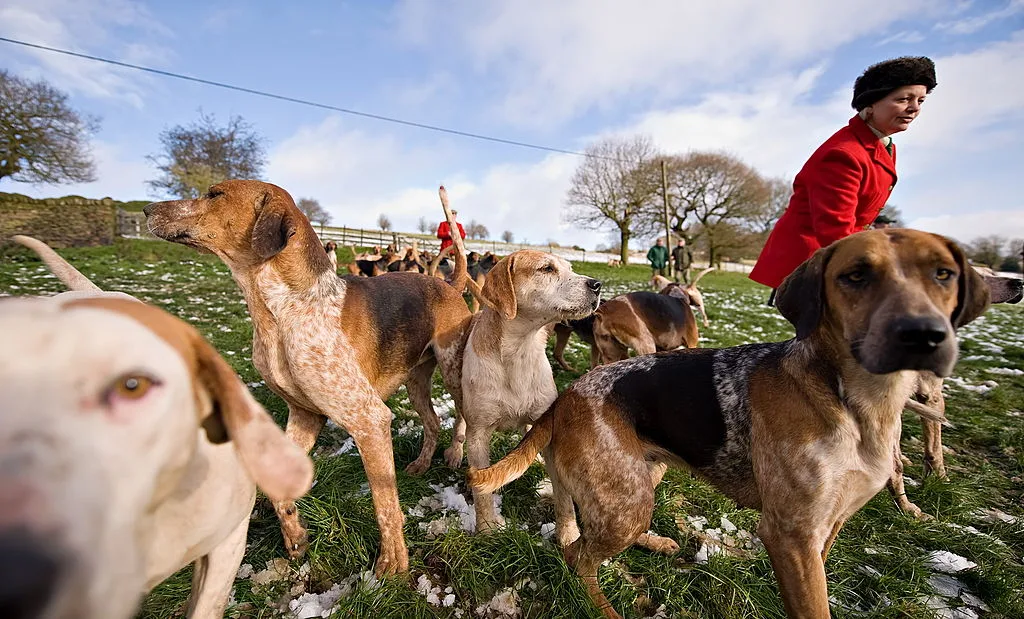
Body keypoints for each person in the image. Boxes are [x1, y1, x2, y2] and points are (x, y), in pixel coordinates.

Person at [750, 56, 936, 304]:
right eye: (903, 99)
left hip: (839, 259)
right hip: (813, 266)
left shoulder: (882, 145)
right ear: (870, 104)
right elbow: (835, 230)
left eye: (920, 100)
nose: (914, 108)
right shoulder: (843, 154)